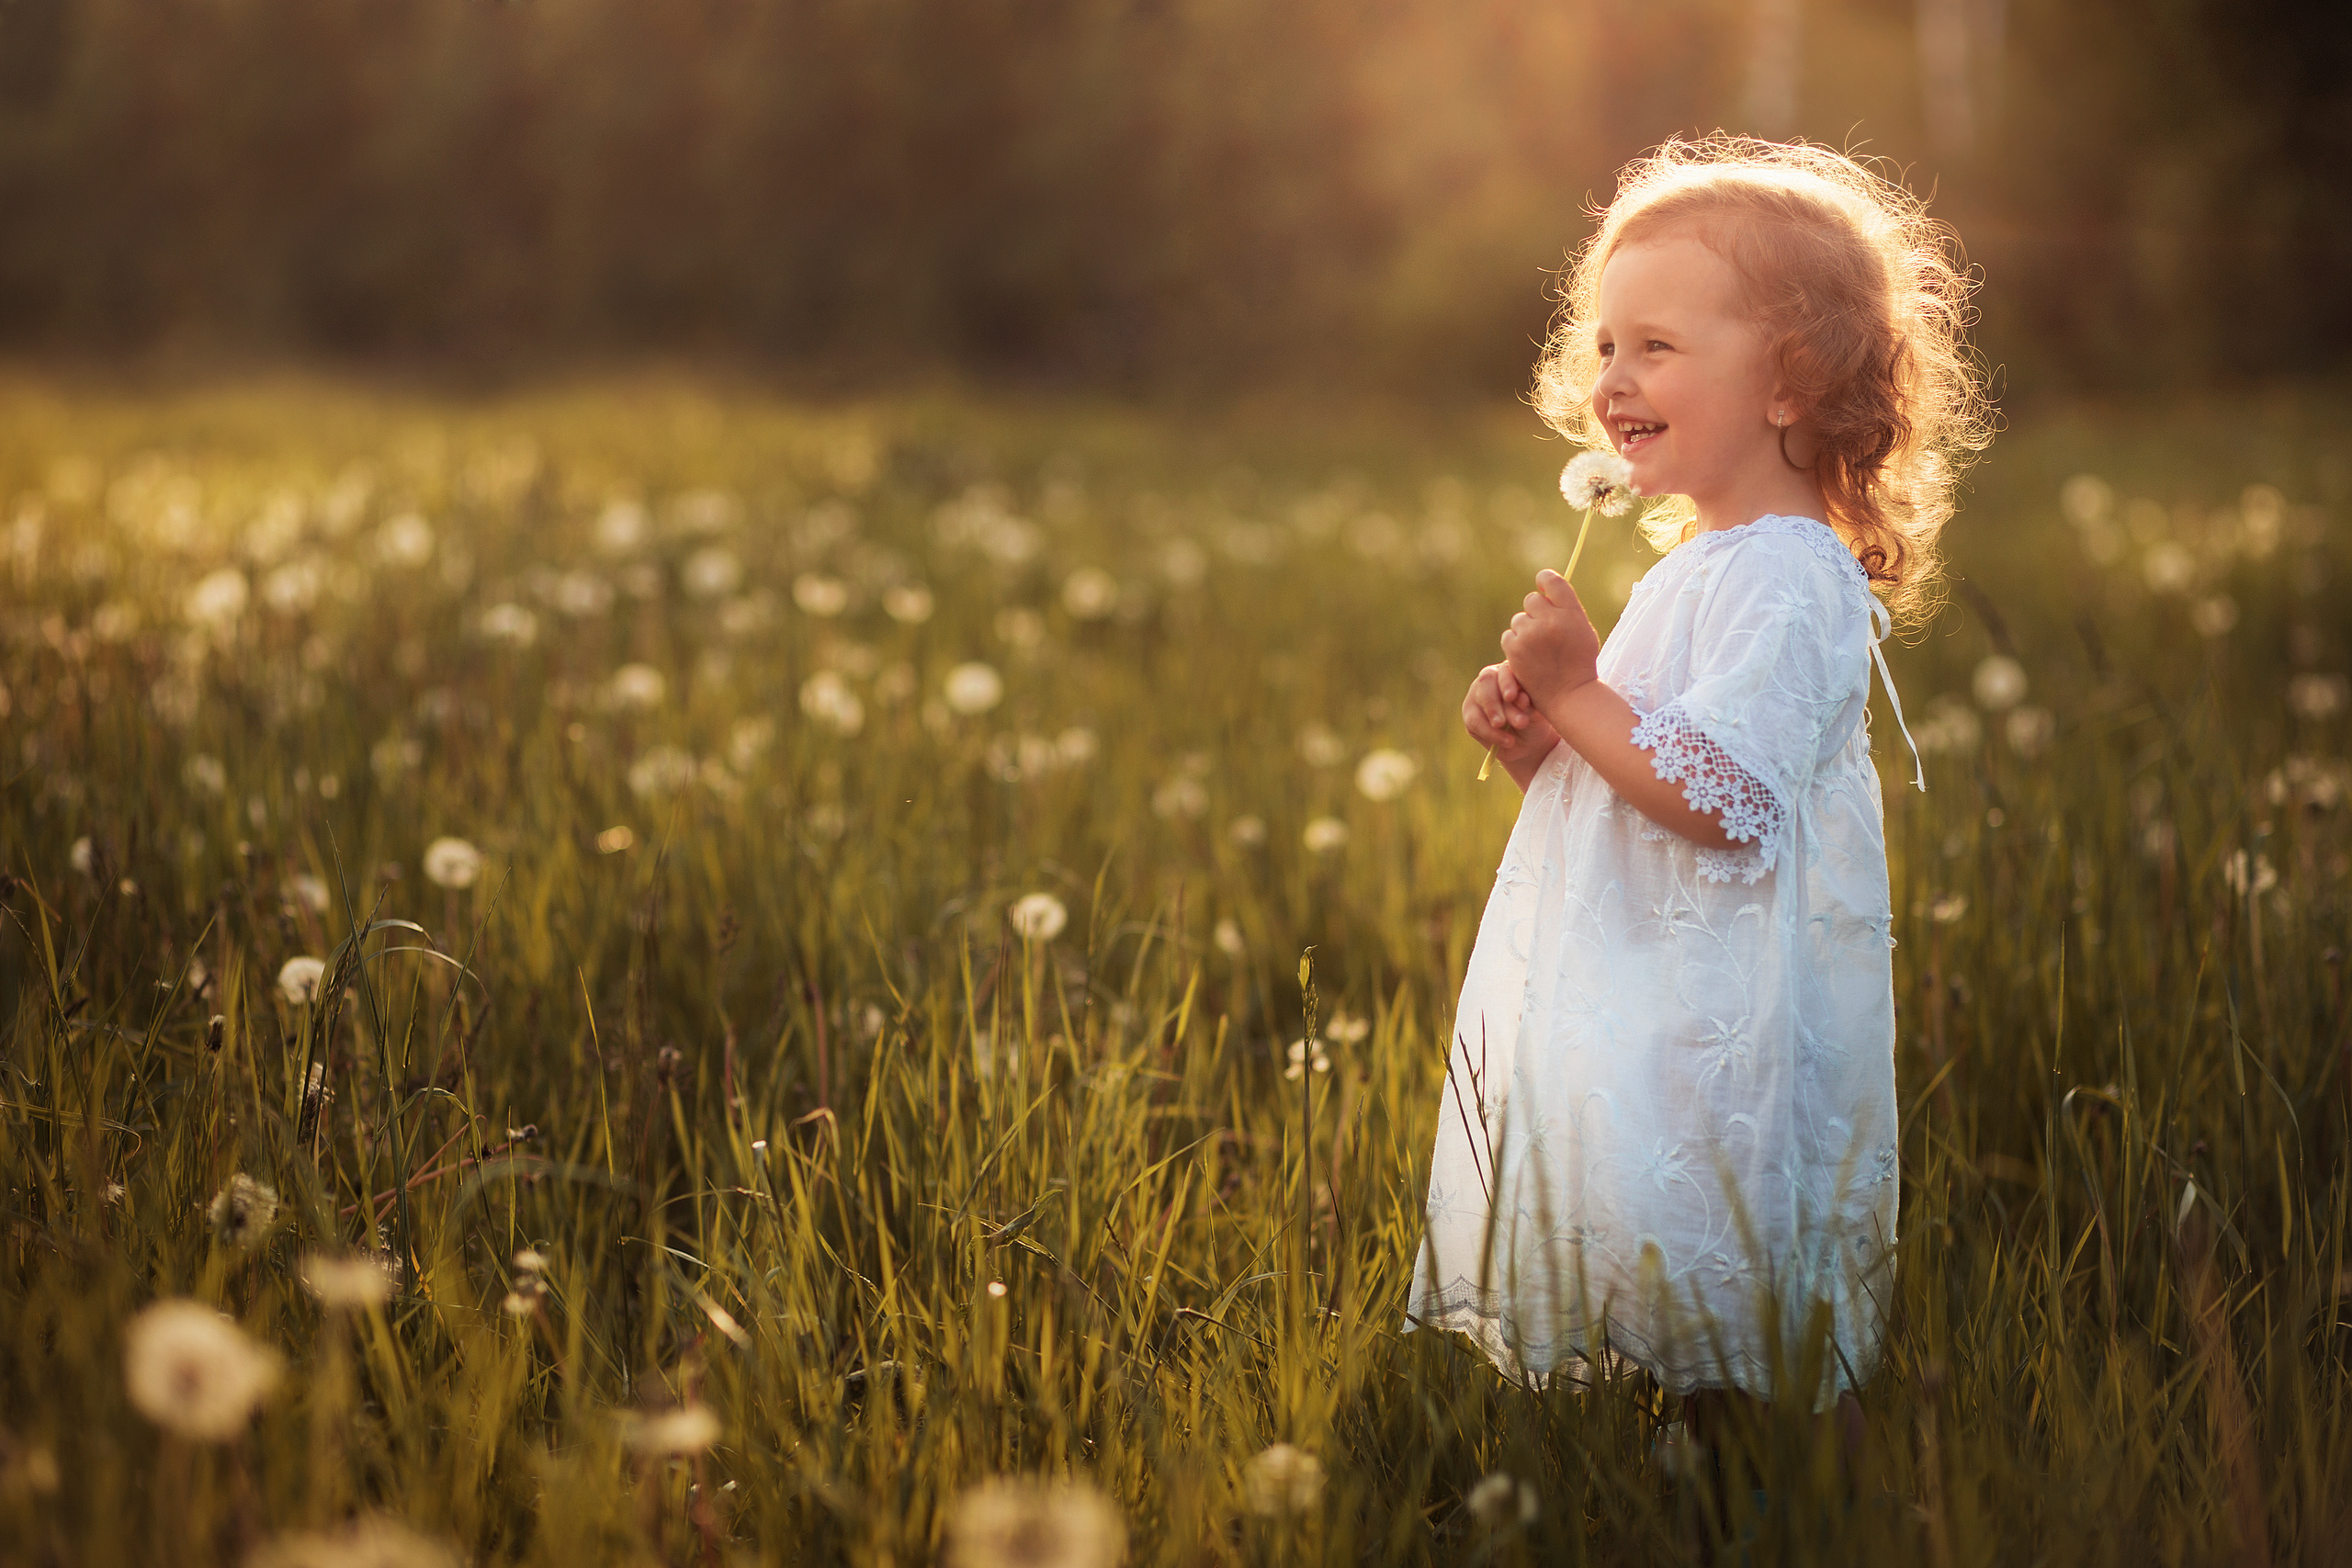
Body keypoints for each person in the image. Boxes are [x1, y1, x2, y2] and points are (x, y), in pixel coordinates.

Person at [1407, 138, 1990, 1459]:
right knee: (1676, 1225)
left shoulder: (1789, 577)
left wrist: (1582, 694)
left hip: (1738, 1009)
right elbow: (1647, 779)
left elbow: (1725, 797)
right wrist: (1545, 743)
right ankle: (1703, 1448)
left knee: (1753, 1231)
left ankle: (1824, 1476)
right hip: (1670, 988)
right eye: (1606, 345)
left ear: (1793, 382)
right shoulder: (1699, 566)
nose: (1615, 380)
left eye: (1657, 346)